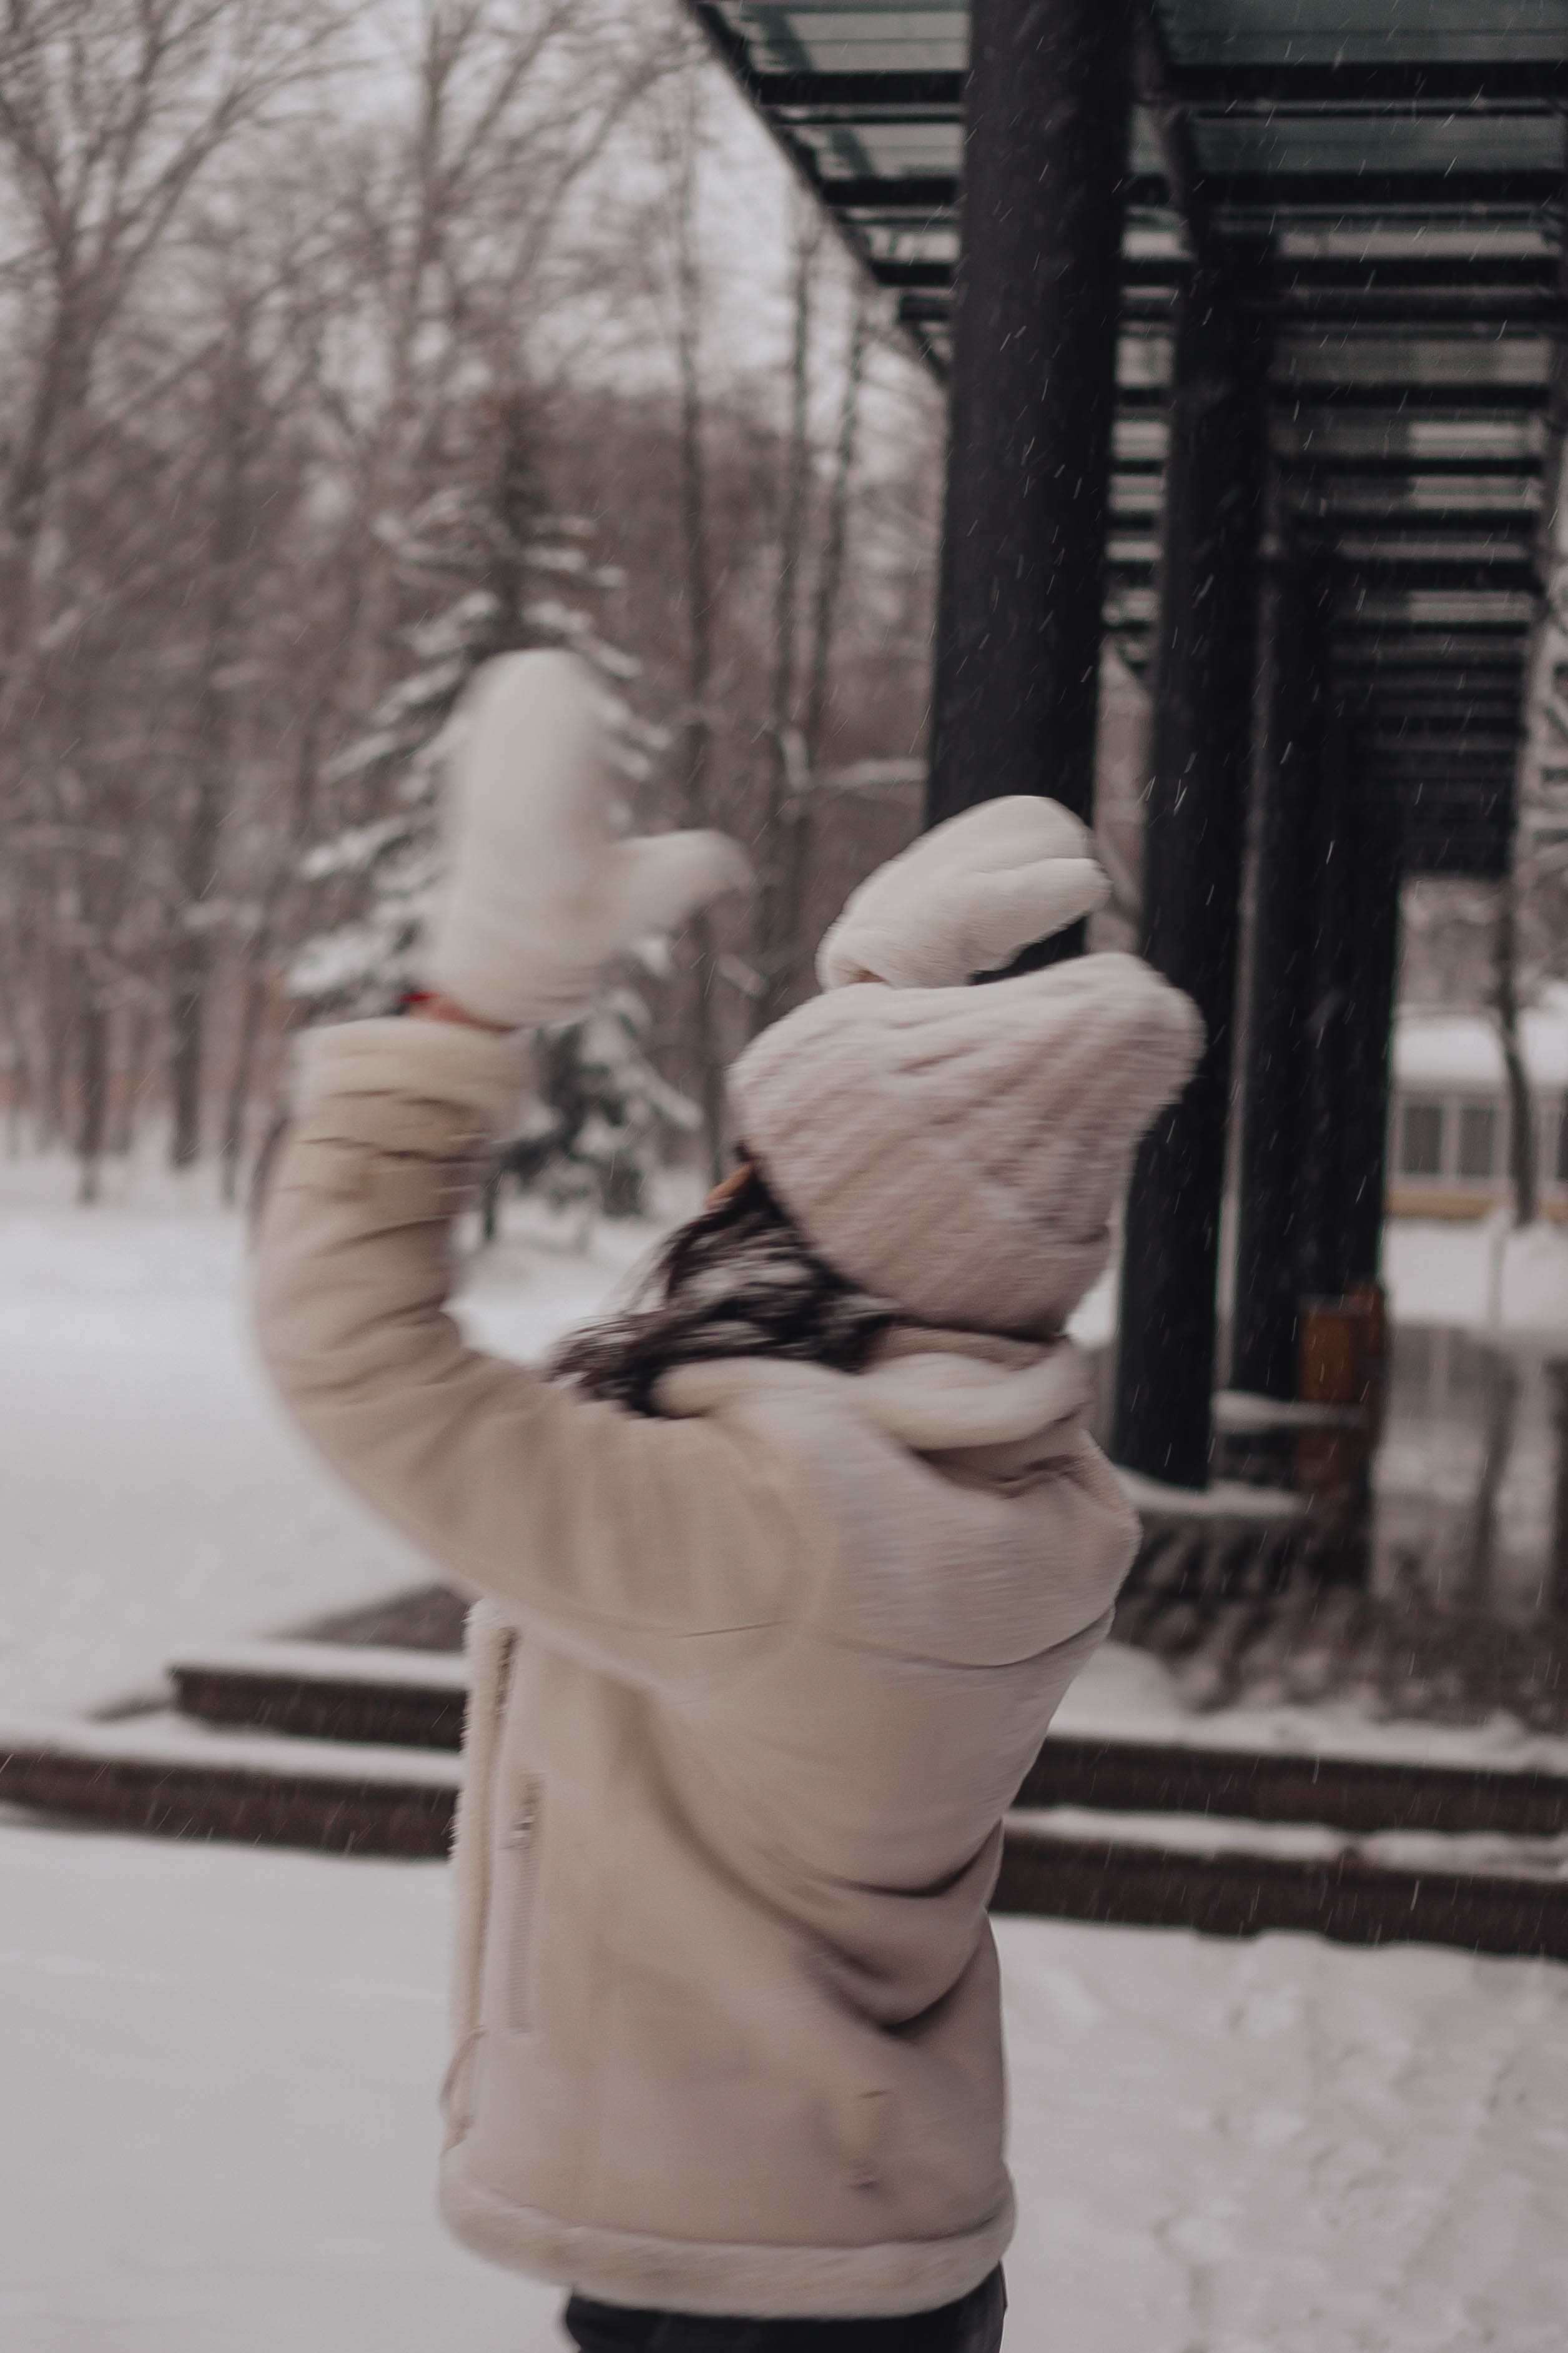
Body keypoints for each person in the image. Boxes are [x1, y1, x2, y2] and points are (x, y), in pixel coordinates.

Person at [252, 651, 1200, 2352]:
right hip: (876, 2254)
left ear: (797, 1249)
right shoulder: (1021, 1499)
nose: (729, 1189)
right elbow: (893, 1268)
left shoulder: (764, 1547)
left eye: (764, 1173)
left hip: (723, 2300)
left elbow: (362, 1361)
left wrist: (463, 1014)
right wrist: (883, 1004)